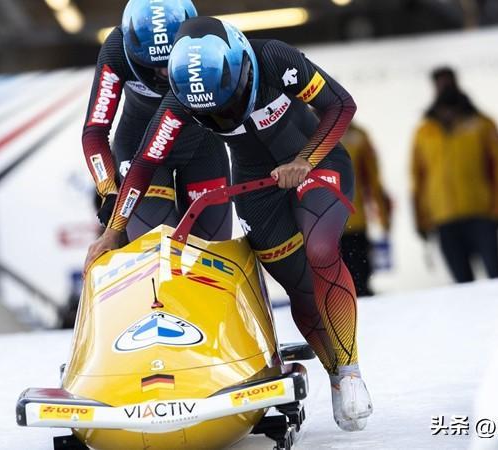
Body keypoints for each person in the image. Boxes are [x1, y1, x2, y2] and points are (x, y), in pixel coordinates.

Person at [86, 17, 372, 431]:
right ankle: (335, 373)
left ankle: (351, 370)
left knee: (321, 249)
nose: (222, 115)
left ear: (240, 72)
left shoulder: (274, 59)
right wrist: (113, 229)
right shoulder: (178, 103)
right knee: (298, 285)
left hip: (317, 161)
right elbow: (144, 165)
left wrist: (304, 159)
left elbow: (341, 105)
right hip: (256, 184)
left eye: (227, 103)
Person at [81, 0, 231, 243]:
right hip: (138, 146)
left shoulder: (207, 44)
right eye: (153, 65)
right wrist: (108, 189)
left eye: (170, 62)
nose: (163, 73)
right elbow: (95, 130)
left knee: (213, 247)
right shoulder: (116, 49)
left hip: (200, 146)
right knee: (155, 246)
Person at [411, 71, 498, 283]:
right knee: (462, 284)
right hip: (444, 217)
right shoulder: (425, 130)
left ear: (457, 83)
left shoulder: (482, 123)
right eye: (440, 84)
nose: (445, 88)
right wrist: (421, 219)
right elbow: (418, 178)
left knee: (496, 276)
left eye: (448, 82)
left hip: (481, 213)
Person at [340, 124, 391, 297]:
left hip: (353, 220)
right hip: (320, 224)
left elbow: (372, 178)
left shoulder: (358, 136)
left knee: (360, 276)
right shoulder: (304, 131)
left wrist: (384, 216)